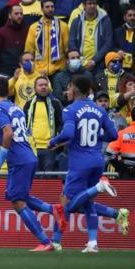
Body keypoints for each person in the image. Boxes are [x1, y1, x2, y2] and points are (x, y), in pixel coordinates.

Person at [48, 75, 120, 253]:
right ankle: (93, 243)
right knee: (87, 203)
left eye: (69, 87)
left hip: (80, 162)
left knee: (66, 204)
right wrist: (96, 139)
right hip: (97, 160)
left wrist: (53, 141)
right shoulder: (99, 110)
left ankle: (56, 242)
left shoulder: (69, 110)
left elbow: (68, 134)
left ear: (73, 89)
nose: (67, 90)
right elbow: (113, 135)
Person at [0, 76, 63, 252]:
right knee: (19, 196)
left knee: (17, 201)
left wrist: (1, 157)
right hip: (29, 155)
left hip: (19, 159)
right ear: (8, 91)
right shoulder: (16, 107)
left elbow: (8, 133)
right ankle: (53, 209)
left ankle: (45, 242)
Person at [23, 76, 63, 172]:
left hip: (49, 147)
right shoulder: (28, 104)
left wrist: (58, 134)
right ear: (35, 88)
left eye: (46, 85)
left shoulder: (55, 103)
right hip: (32, 147)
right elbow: (23, 124)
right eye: (40, 85)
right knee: (33, 176)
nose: (44, 87)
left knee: (48, 178)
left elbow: (61, 122)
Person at [68, 0, 113, 75]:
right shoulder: (76, 21)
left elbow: (108, 44)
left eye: (94, 3)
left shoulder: (105, 21)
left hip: (99, 63)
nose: (92, 6)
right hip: (79, 63)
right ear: (84, 6)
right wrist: (81, 59)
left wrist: (94, 60)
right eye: (89, 3)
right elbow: (71, 42)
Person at [25, 0, 69, 77]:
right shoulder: (34, 27)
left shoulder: (63, 26)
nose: (50, 9)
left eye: (52, 7)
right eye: (47, 7)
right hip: (39, 71)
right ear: (42, 9)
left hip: (58, 71)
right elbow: (29, 51)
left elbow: (67, 50)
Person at [0, 3, 28, 77]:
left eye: (21, 14)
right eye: (16, 14)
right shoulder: (1, 32)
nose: (19, 16)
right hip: (5, 74)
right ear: (9, 15)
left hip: (24, 73)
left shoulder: (28, 31)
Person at [107, 107, 135, 180]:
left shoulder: (122, 133)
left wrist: (119, 166)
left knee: (125, 191)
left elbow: (109, 152)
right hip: (126, 171)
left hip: (126, 173)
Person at [114, 4, 135, 73]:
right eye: (130, 15)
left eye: (134, 15)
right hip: (119, 66)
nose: (132, 18)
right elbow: (111, 46)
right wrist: (118, 51)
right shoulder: (117, 31)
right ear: (124, 18)